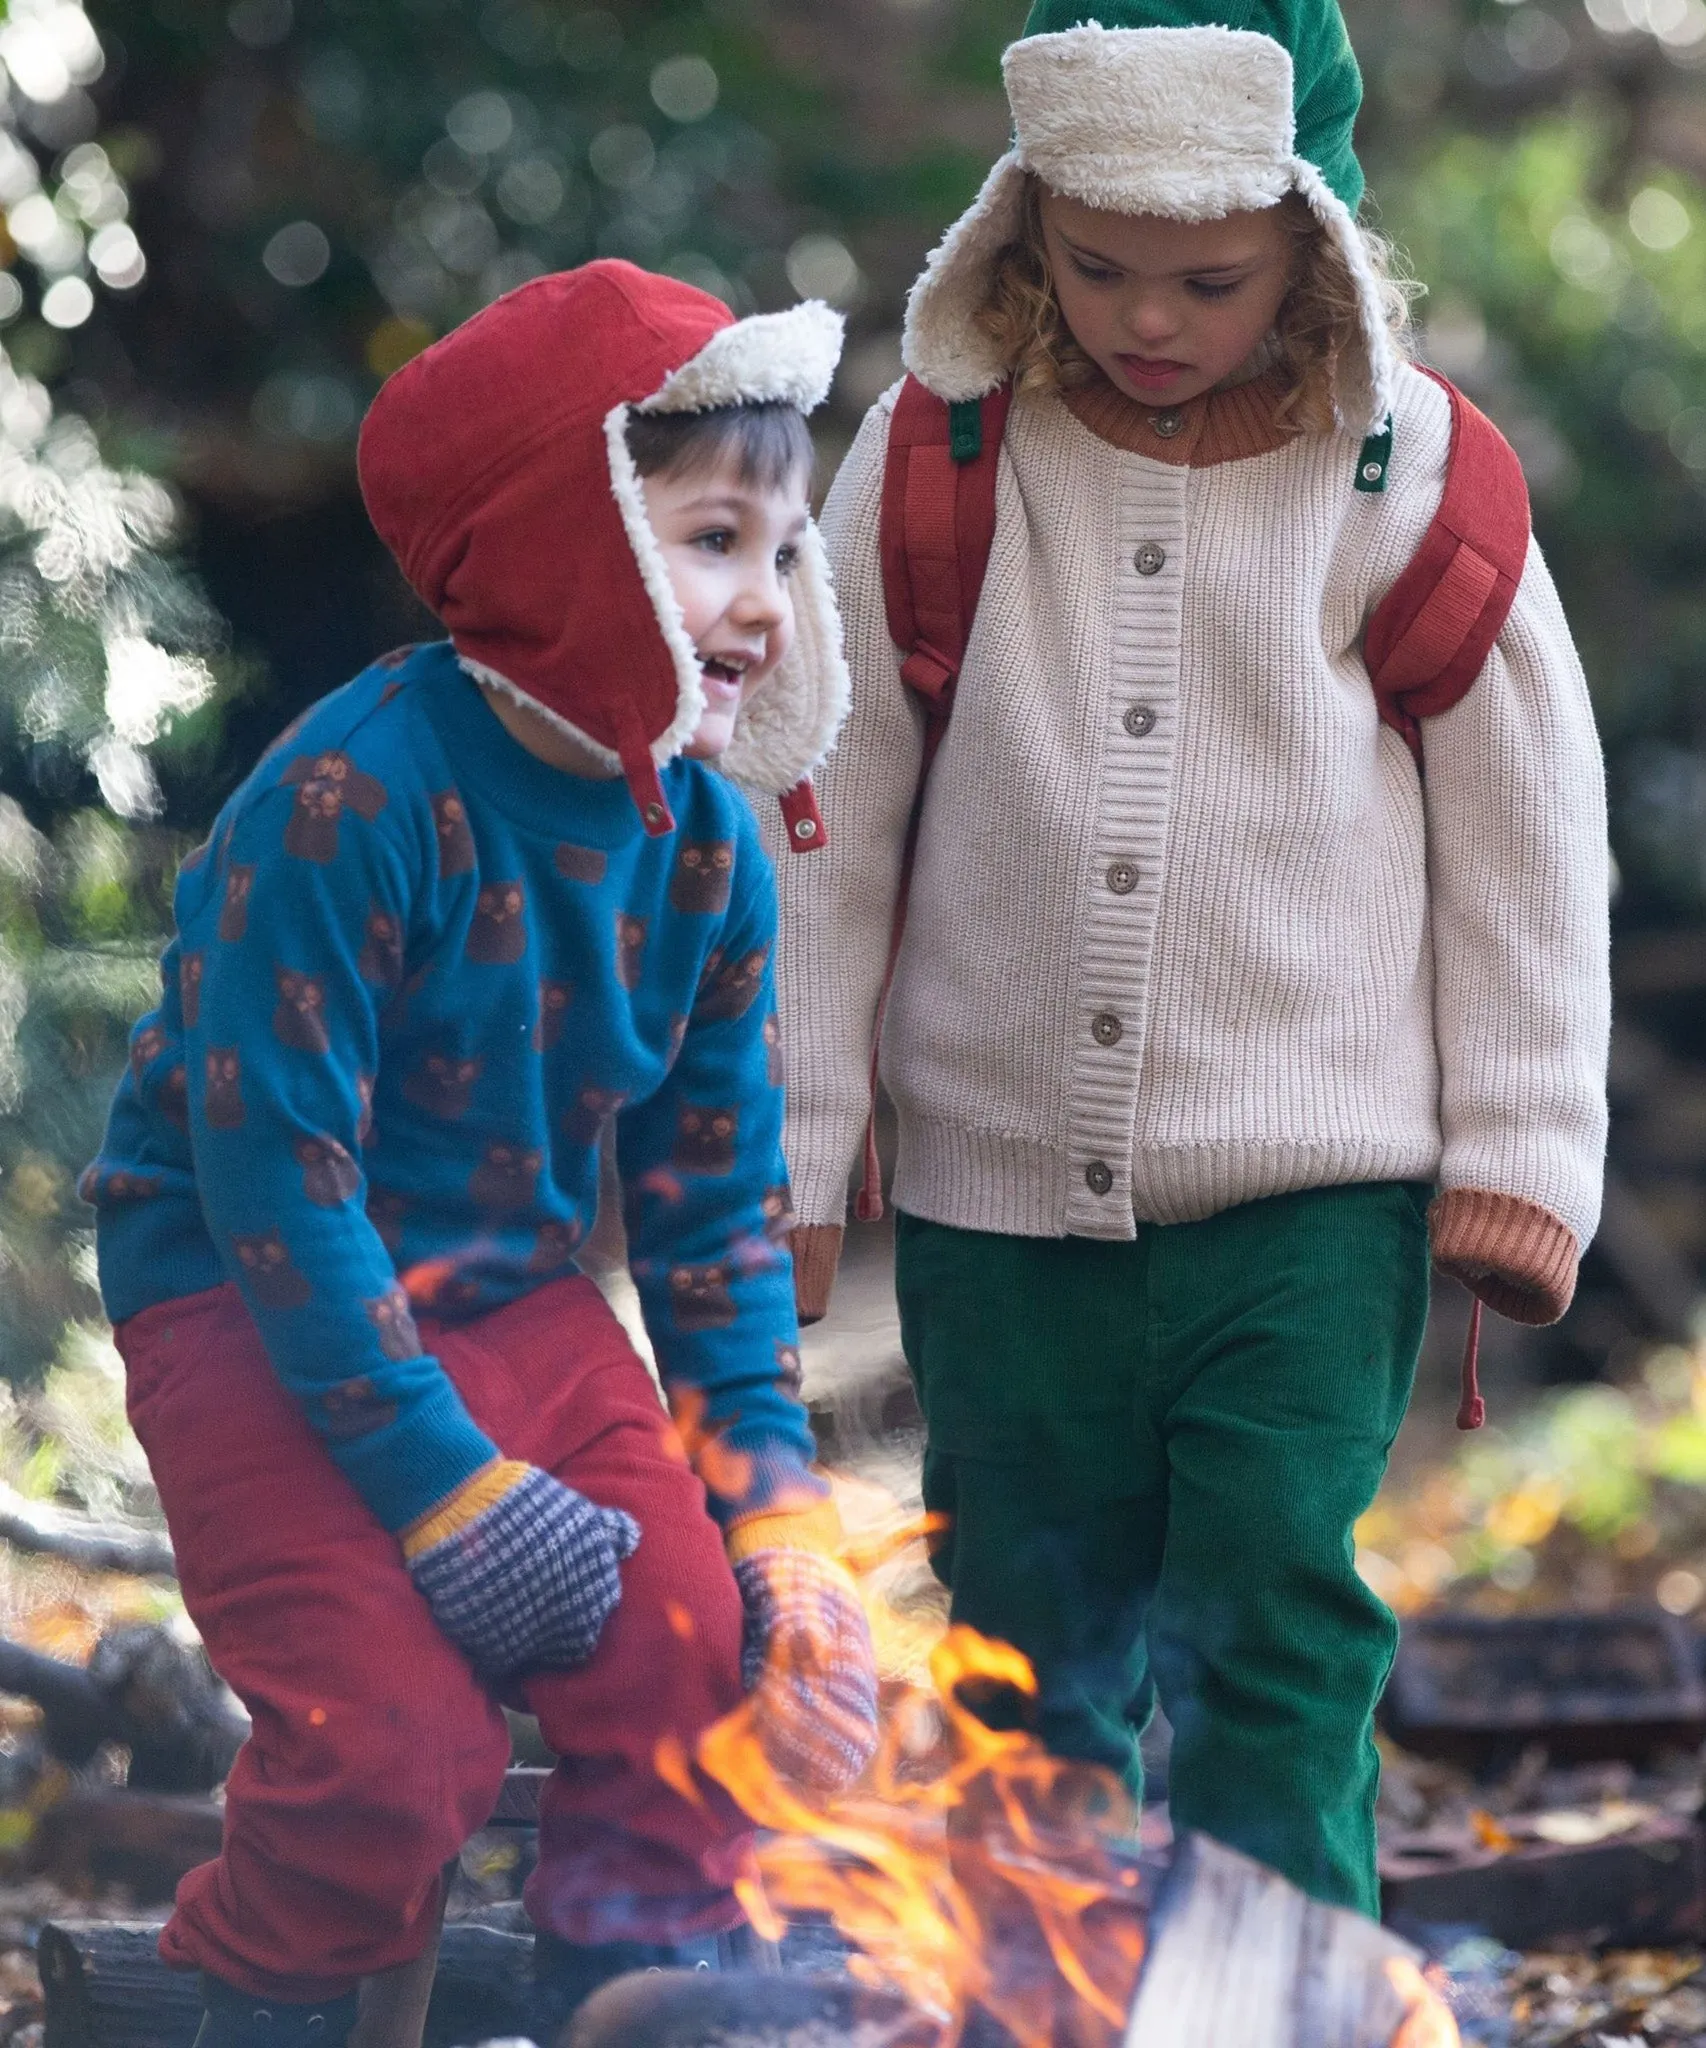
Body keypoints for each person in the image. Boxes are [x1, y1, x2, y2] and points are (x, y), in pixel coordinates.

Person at [773, 0, 1610, 1917]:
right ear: (1021, 228)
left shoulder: (1406, 474)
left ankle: (1282, 1987)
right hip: (993, 1210)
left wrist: (1518, 1151)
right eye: (1098, 268)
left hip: (1314, 1200)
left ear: (1309, 247)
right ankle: (1032, 1991)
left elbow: (1525, 840)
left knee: (1270, 1629)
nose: (1149, 317)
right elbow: (810, 822)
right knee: (1021, 1640)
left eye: (1210, 280)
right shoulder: (932, 454)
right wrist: (791, 1149)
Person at [80, 260, 878, 2046]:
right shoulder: (344, 801)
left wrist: (790, 1549)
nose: (761, 601)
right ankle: (212, 2012)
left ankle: (625, 2000)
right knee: (391, 1752)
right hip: (241, 1281)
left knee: (701, 1679)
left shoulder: (706, 854)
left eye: (786, 548)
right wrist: (447, 1493)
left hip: (510, 1295)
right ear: (561, 538)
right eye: (710, 539)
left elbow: (714, 1236)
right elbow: (276, 1179)